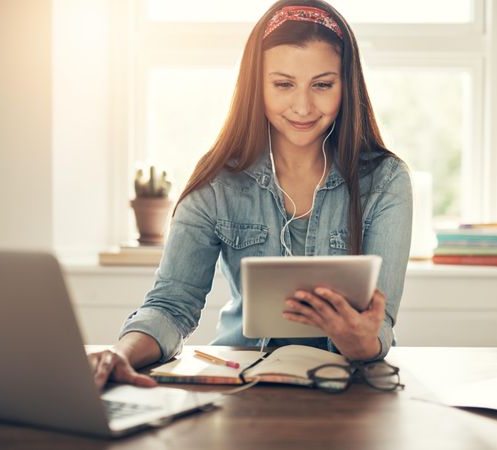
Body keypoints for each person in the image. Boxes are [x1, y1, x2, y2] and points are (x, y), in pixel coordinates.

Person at [90, 0, 413, 389]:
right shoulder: (217, 182)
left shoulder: (385, 181)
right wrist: (120, 354)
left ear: (347, 85)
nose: (303, 106)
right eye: (283, 84)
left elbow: (381, 327)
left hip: (347, 389)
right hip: (240, 384)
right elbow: (171, 306)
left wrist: (360, 341)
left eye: (323, 85)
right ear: (255, 86)